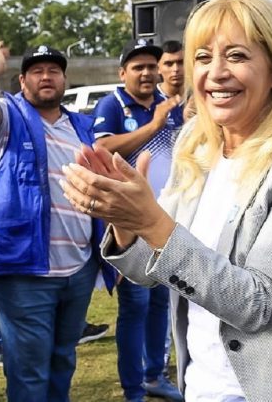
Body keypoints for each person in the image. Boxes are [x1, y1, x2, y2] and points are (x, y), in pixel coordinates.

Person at [61, 0, 272, 401]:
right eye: (202, 57)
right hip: (205, 386)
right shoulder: (197, 147)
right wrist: (125, 218)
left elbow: (263, 303)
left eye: (236, 56)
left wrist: (151, 221)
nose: (216, 73)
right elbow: (149, 270)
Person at [0, 42, 116, 401]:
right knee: (28, 372)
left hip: (78, 269)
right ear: (22, 81)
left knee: (62, 362)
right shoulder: (5, 118)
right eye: (37, 71)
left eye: (54, 70)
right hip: (24, 272)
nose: (46, 76)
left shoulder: (81, 126)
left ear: (64, 80)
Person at [92, 38, 183, 402]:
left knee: (163, 301)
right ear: (123, 73)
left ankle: (154, 375)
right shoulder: (111, 104)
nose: (146, 73)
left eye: (151, 66)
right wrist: (152, 127)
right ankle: (133, 389)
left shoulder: (170, 106)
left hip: (167, 219)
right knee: (136, 305)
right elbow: (101, 149)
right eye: (138, 67)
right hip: (129, 223)